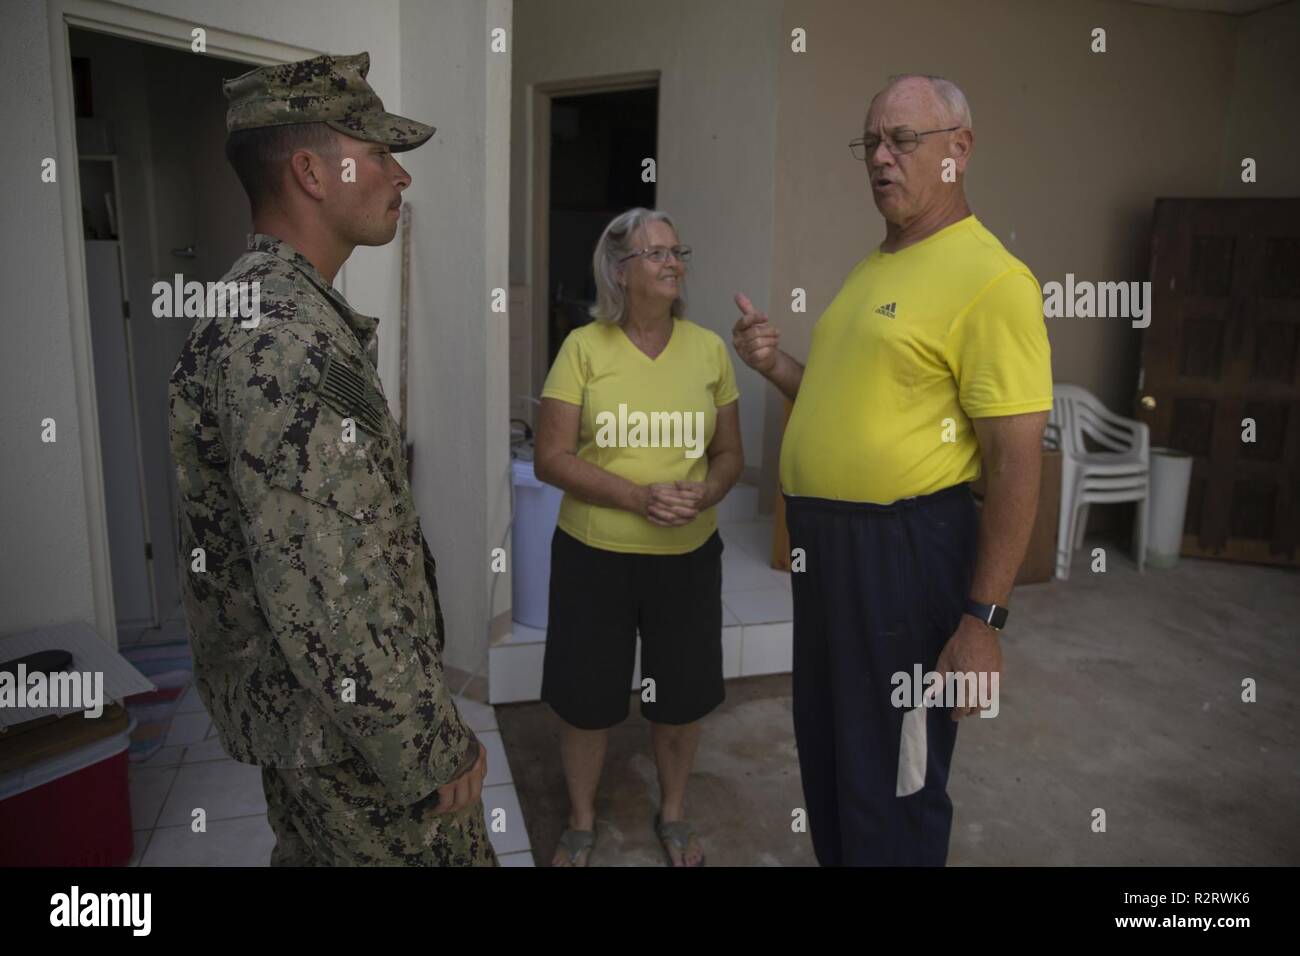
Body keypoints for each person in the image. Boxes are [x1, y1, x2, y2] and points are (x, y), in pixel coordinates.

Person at [168, 52, 494, 866]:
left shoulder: (264, 310)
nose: (399, 176)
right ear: (312, 172)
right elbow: (327, 592)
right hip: (354, 746)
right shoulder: (286, 343)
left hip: (317, 731)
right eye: (379, 154)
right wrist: (430, 745)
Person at [732, 74, 1052, 865]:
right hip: (829, 555)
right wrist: (777, 368)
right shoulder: (875, 268)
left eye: (902, 139)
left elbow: (1015, 462)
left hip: (906, 560)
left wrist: (983, 623)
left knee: (896, 783)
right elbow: (845, 403)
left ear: (958, 151)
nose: (880, 157)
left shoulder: (991, 279)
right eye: (870, 142)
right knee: (835, 756)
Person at [533, 208, 744, 866]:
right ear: (619, 271)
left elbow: (729, 454)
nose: (673, 261)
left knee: (679, 698)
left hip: (685, 559)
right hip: (595, 558)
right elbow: (551, 458)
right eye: (655, 253)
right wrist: (636, 497)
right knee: (586, 700)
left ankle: (674, 811)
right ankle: (580, 818)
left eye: (678, 250)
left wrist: (706, 492)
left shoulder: (709, 348)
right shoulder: (583, 349)